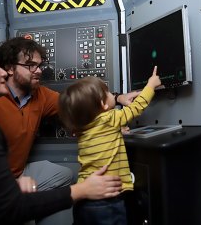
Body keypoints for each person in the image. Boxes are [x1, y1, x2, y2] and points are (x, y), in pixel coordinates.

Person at [0, 37, 139, 224]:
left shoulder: (41, 95)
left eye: (39, 65)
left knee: (66, 175)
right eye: (30, 65)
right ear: (10, 68)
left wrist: (115, 106)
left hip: (19, 172)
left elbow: (78, 106)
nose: (38, 71)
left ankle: (36, 206)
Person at [58, 66, 161, 225]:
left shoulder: (81, 128)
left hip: (85, 197)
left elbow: (98, 131)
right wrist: (150, 85)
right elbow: (136, 108)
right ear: (103, 105)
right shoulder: (109, 119)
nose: (111, 94)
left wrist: (116, 130)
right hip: (107, 200)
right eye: (107, 92)